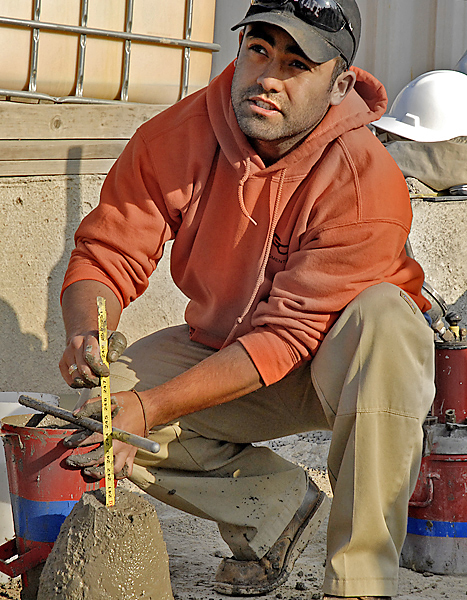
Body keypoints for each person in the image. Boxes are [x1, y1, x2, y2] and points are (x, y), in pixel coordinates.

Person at [59, 1, 435, 598]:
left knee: (388, 320)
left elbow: (288, 337)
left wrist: (150, 408)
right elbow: (108, 251)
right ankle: (273, 511)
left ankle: (361, 580)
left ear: (340, 85)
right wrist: (85, 329)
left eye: (296, 65)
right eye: (259, 51)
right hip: (224, 347)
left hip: (341, 370)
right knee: (92, 422)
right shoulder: (176, 135)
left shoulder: (366, 180)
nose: (269, 79)